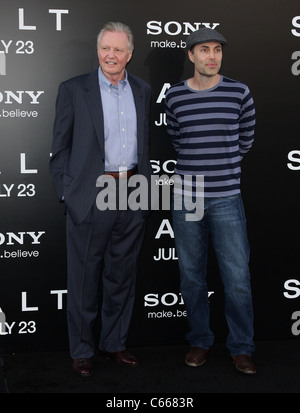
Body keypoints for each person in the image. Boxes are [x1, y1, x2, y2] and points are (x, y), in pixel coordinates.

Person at [49, 22, 152, 377]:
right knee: (83, 279)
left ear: (130, 54)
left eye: (119, 49)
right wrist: (69, 192)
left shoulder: (142, 89)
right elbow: (59, 148)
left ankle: (114, 344)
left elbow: (146, 146)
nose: (112, 55)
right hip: (92, 195)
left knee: (122, 276)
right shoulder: (74, 89)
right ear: (98, 51)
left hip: (132, 191)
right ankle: (81, 350)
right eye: (106, 48)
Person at [165, 27, 256, 374]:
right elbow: (177, 136)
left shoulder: (239, 92)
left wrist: (224, 167)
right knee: (191, 277)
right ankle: (200, 340)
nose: (212, 56)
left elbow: (245, 138)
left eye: (217, 49)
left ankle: (242, 347)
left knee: (236, 278)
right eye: (204, 50)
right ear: (191, 56)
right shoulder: (175, 97)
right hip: (187, 199)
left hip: (227, 198)